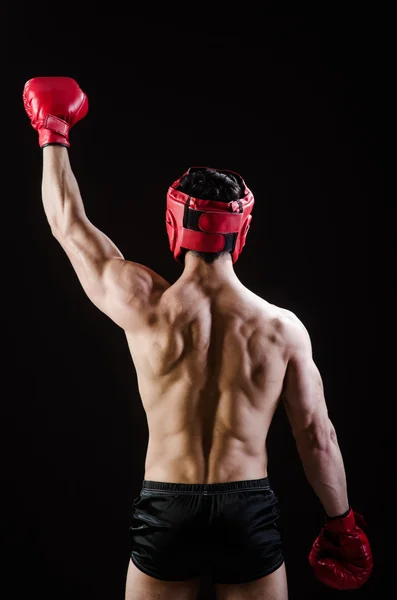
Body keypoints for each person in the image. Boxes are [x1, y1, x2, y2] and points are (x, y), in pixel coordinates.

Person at [23, 77, 373, 600]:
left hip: (166, 504)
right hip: (247, 507)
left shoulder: (144, 304)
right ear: (241, 232)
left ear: (174, 224)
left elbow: (67, 223)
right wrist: (341, 523)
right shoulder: (282, 329)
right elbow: (317, 436)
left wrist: (53, 134)